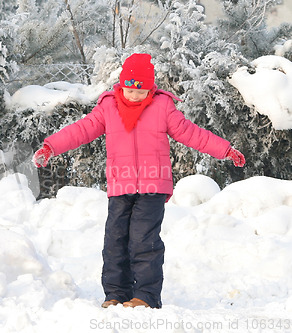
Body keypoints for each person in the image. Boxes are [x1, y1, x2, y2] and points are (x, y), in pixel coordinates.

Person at [32, 53, 245, 309]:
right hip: (120, 186)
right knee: (115, 240)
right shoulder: (108, 107)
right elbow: (81, 130)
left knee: (144, 241)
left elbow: (191, 133)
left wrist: (225, 149)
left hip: (153, 186)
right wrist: (51, 146)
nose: (135, 96)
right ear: (122, 85)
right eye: (131, 90)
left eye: (141, 91)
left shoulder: (162, 106)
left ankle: (146, 296)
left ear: (150, 88)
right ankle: (115, 294)